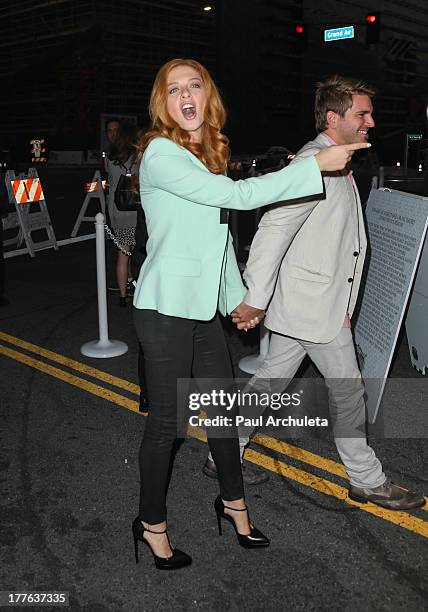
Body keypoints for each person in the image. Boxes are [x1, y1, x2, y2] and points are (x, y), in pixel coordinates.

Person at [132, 59, 370, 570]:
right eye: (174, 89)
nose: (186, 95)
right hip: (163, 311)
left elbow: (215, 241)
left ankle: (233, 505)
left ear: (207, 94)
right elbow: (235, 198)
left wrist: (239, 301)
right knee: (169, 426)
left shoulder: (203, 152)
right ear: (163, 104)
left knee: (221, 416)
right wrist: (310, 169)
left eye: (194, 84)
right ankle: (151, 524)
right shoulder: (160, 153)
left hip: (201, 312)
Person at [230, 75, 425, 511]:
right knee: (348, 391)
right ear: (334, 117)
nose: (371, 121)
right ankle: (367, 479)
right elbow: (274, 228)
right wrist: (254, 298)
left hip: (309, 300)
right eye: (363, 113)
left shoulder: (333, 159)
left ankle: (223, 452)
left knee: (268, 383)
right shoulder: (312, 163)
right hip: (315, 306)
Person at [105, 122, 138, 305]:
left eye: (115, 131)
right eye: (109, 131)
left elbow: (110, 180)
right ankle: (123, 295)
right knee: (125, 251)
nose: (112, 134)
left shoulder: (109, 157)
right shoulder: (137, 156)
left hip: (116, 208)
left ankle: (127, 283)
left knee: (125, 249)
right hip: (132, 208)